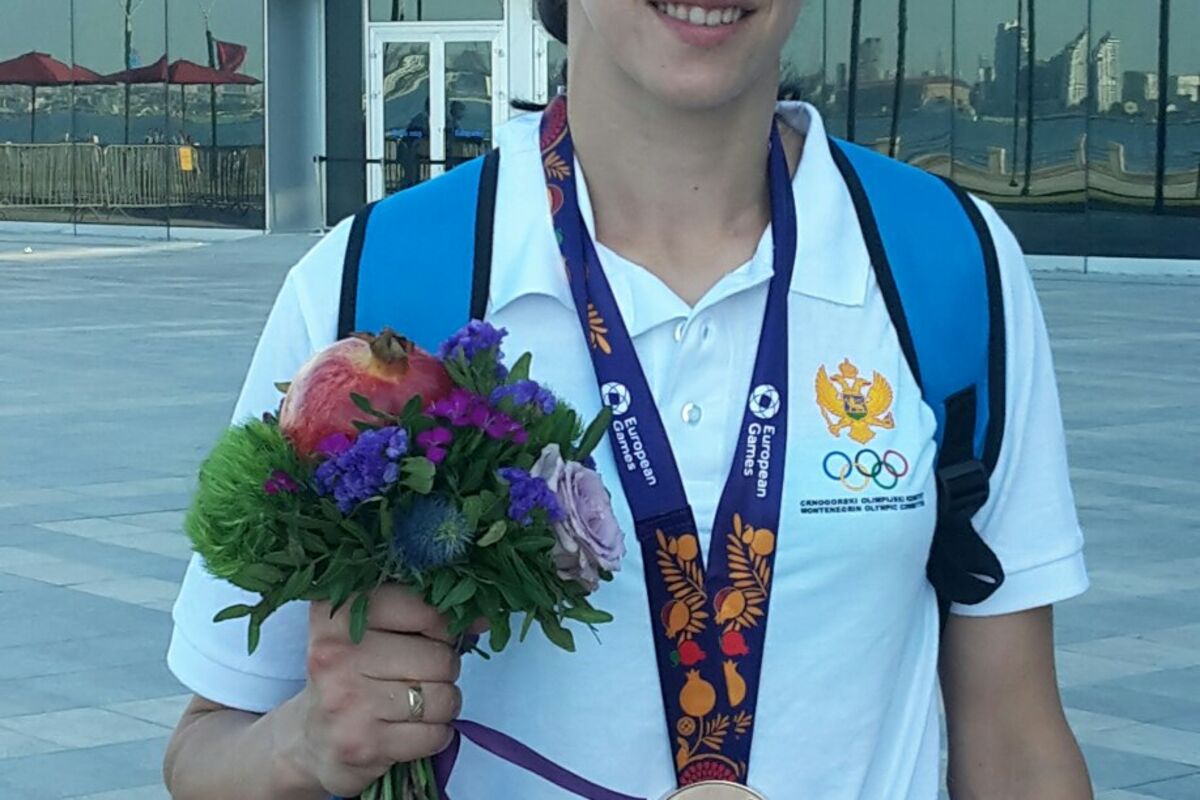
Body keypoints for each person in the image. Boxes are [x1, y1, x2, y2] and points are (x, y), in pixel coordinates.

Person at [162, 1, 1093, 798]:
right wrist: (305, 742)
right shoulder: (376, 286)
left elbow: (1015, 742)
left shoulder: (949, 264)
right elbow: (205, 751)